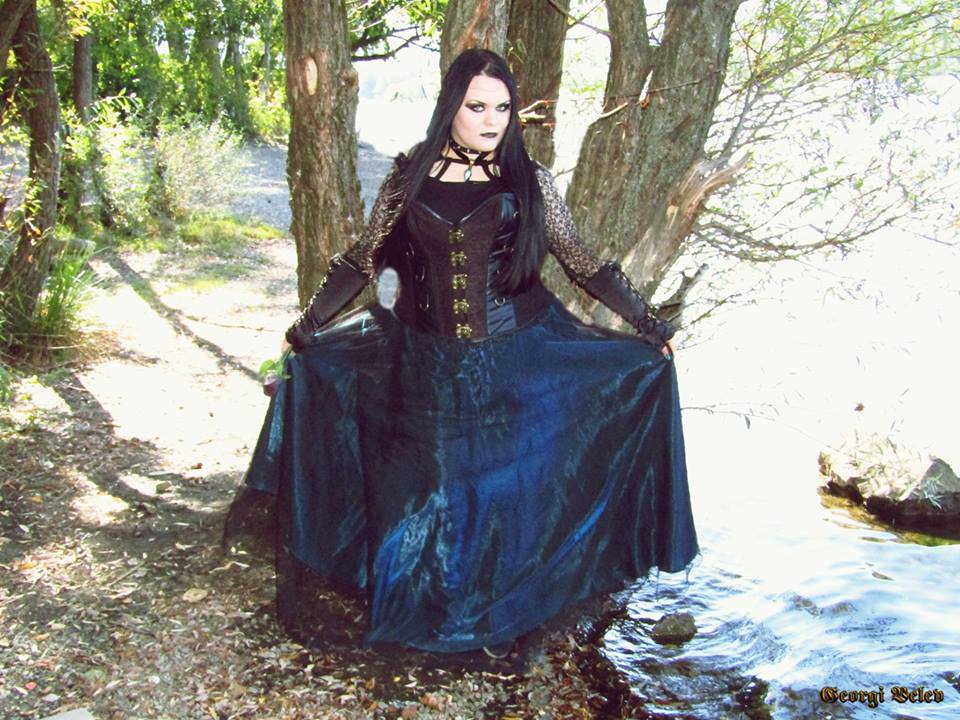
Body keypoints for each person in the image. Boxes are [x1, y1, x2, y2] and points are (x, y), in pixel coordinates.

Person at [229, 48, 697, 658]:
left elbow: (582, 263)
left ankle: (492, 616)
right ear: (452, 106)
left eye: (502, 108)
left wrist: (648, 323)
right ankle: (426, 607)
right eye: (478, 106)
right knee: (427, 493)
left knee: (501, 493)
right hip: (424, 360)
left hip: (513, 356)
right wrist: (307, 324)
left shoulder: (530, 181)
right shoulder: (408, 178)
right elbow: (362, 260)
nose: (492, 120)